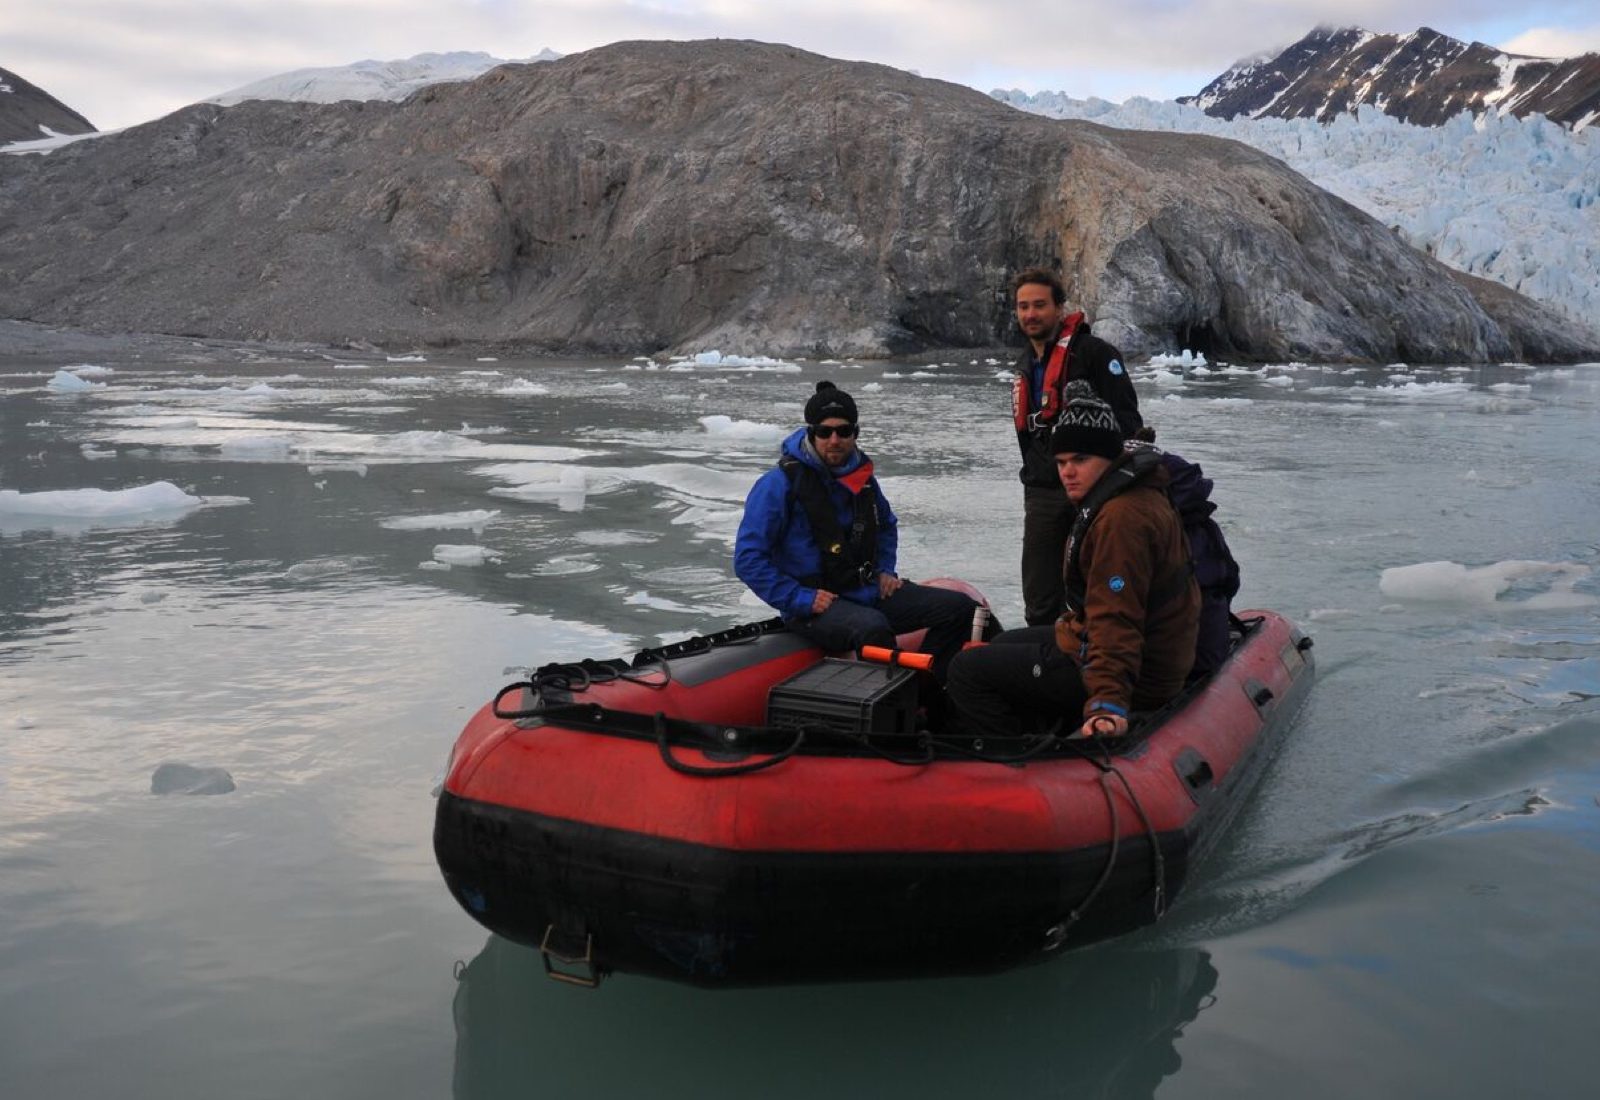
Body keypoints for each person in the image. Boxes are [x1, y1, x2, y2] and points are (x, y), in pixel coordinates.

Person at [947, 382, 1199, 740]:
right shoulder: (1135, 491)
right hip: (1135, 652)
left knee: (966, 671)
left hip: (1137, 676)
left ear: (1110, 457)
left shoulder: (1120, 520)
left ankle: (1014, 767)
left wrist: (1108, 702)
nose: (1067, 472)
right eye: (1062, 462)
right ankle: (1043, 726)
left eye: (1081, 460)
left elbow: (1117, 617)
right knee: (1003, 644)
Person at [734, 381, 980, 682]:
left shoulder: (861, 479)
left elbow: (886, 524)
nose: (834, 440)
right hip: (813, 606)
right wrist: (800, 598)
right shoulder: (777, 485)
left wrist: (886, 570)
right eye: (824, 432)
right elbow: (748, 559)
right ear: (811, 433)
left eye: (844, 431)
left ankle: (929, 690)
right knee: (872, 627)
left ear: (855, 433)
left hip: (864, 591)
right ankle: (885, 710)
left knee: (960, 608)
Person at [1010, 268, 1143, 626]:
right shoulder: (1026, 364)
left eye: (1039, 305)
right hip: (1042, 490)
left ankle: (1103, 657)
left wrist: (1118, 485)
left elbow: (1129, 421)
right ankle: (1042, 663)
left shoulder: (1096, 354)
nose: (1030, 314)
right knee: (1039, 593)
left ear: (1059, 307)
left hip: (1096, 491)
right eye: (1023, 307)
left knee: (1100, 583)